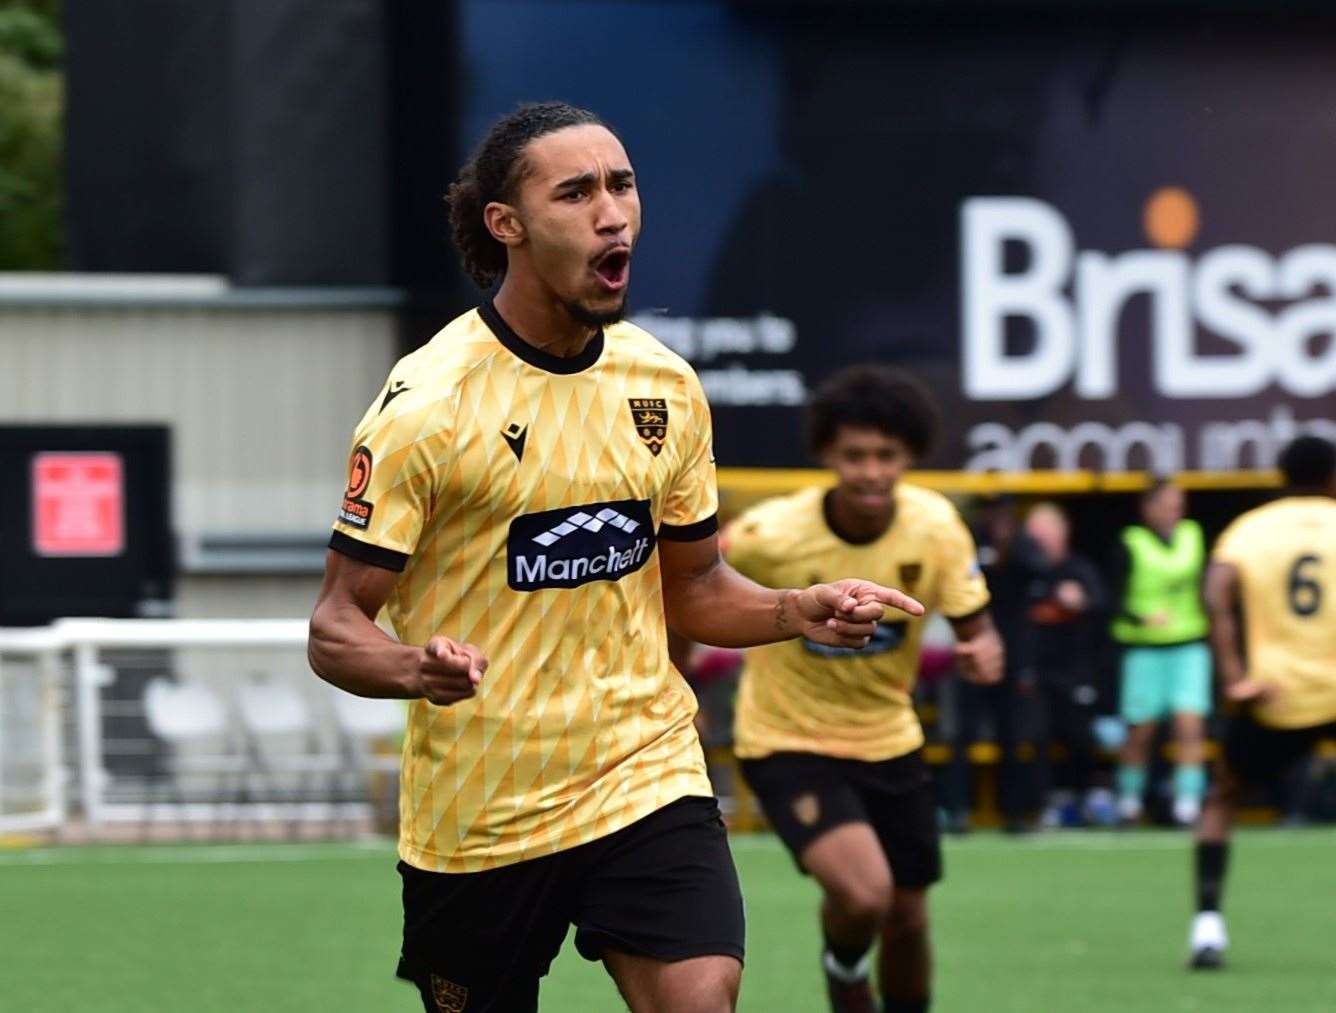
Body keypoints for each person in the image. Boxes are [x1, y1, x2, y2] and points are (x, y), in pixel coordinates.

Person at [305, 102, 924, 1013]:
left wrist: (797, 609)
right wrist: (412, 665)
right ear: (505, 225)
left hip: (645, 767)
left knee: (700, 999)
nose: (613, 212)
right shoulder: (427, 407)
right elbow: (334, 625)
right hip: (483, 811)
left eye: (622, 185)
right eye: (577, 191)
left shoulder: (663, 385)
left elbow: (698, 589)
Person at [725, 364, 1004, 1013]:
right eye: (855, 455)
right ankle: (844, 967)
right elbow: (690, 588)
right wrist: (675, 675)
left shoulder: (936, 527)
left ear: (910, 455)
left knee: (908, 916)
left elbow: (977, 624)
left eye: (886, 455)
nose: (871, 471)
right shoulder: (770, 534)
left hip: (890, 740)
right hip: (786, 740)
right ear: (827, 453)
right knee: (865, 894)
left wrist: (983, 652)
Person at [1188, 435, 1336, 970]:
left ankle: (1208, 928)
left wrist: (1233, 676)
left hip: (1278, 693)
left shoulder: (1252, 529)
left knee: (1223, 798)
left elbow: (1215, 592)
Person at [1111, 479, 1211, 826]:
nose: (1174, 512)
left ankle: (1188, 805)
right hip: (1144, 648)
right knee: (1140, 730)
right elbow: (1111, 597)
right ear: (1148, 508)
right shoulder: (1130, 543)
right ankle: (1128, 802)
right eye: (1167, 505)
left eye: (1178, 505)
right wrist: (1140, 616)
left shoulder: (1193, 536)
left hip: (1188, 644)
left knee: (1190, 725)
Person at [944, 495, 1046, 834]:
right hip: (971, 647)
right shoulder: (970, 542)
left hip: (1013, 655)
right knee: (963, 735)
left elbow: (1040, 572)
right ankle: (957, 811)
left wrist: (1009, 548)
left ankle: (1013, 813)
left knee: (1012, 737)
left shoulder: (1023, 545)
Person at [1023, 502, 1108, 826]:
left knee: (1080, 738)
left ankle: (1088, 797)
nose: (1039, 541)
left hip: (1075, 671)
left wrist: (1082, 601)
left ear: (1062, 534)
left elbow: (1104, 607)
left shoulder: (1080, 569)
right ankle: (1048, 804)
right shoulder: (1026, 571)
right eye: (1034, 534)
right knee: (1037, 737)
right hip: (1037, 672)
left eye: (1045, 533)